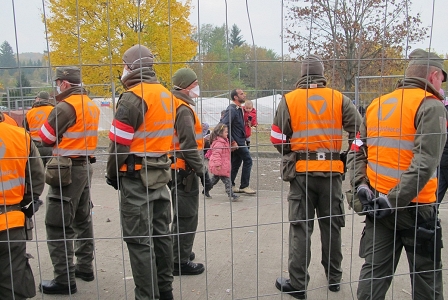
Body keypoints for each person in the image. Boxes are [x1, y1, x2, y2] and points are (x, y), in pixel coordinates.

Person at [349, 49, 446, 300]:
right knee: (426, 281)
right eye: (442, 79)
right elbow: (425, 162)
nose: (442, 85)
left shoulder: (377, 104)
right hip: (416, 209)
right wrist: (394, 199)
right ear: (433, 76)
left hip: (378, 206)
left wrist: (361, 185)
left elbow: (358, 150)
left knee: (374, 275)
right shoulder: (431, 105)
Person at [271, 54, 361, 299]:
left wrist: (292, 152)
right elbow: (360, 131)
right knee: (332, 226)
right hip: (332, 174)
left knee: (300, 228)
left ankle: (298, 284)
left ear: (302, 74)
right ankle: (334, 279)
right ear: (323, 75)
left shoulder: (289, 99)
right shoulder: (339, 98)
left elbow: (276, 137)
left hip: (301, 175)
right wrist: (348, 155)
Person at [106, 44, 175, 300]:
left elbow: (118, 145)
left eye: (124, 65)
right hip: (161, 174)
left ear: (132, 67)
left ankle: (146, 296)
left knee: (139, 242)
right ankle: (165, 291)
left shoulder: (133, 97)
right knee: (162, 236)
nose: (122, 70)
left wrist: (112, 174)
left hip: (136, 178)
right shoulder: (166, 94)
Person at [38, 66, 100, 295]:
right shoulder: (90, 104)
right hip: (85, 166)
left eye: (57, 83)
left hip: (66, 170)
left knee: (57, 224)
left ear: (64, 83)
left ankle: (64, 279)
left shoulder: (65, 106)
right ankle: (85, 267)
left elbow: (46, 138)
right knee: (83, 218)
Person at [169, 67, 213, 276]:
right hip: (184, 170)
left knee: (181, 213)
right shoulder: (183, 109)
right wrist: (202, 171)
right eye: (195, 83)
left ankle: (178, 250)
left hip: (175, 166)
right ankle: (179, 260)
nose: (197, 87)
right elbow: (188, 146)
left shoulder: (173, 104)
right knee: (187, 215)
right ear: (187, 86)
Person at [0, 111, 45, 300]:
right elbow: (36, 179)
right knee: (12, 279)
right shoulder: (20, 136)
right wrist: (21, 204)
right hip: (10, 221)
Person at [221, 89, 256, 194]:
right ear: (235, 97)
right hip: (237, 142)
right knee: (248, 160)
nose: (244, 95)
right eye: (241, 94)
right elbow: (224, 124)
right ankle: (244, 186)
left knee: (236, 162)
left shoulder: (239, 109)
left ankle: (230, 185)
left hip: (240, 140)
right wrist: (232, 141)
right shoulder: (232, 109)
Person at [208, 123, 240, 201]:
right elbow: (216, 154)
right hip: (220, 166)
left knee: (214, 180)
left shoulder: (224, 141)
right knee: (227, 181)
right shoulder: (219, 143)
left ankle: (206, 189)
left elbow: (225, 152)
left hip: (222, 165)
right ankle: (231, 194)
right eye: (226, 132)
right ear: (220, 133)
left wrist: (232, 149)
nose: (227, 134)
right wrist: (218, 165)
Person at [23, 91, 54, 166]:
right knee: (51, 169)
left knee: (39, 169)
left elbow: (25, 127)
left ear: (38, 99)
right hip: (50, 144)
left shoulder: (30, 113)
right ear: (48, 100)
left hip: (35, 145)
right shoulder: (53, 110)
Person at [437, 88, 448, 207]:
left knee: (438, 191)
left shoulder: (442, 112)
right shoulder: (442, 112)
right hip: (443, 157)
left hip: (442, 157)